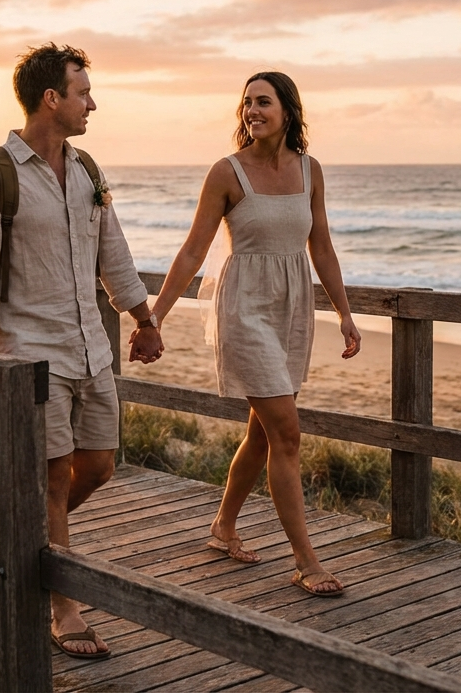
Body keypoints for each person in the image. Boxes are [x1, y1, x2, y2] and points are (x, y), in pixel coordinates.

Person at [0, 43, 163, 659]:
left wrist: (144, 318)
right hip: (29, 356)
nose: (92, 103)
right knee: (51, 479)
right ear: (53, 98)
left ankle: (25, 543)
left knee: (97, 465)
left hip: (91, 350)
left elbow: (114, 252)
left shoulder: (88, 169)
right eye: (83, 92)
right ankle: (64, 608)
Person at [146, 71, 361, 597]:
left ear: (288, 109)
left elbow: (323, 249)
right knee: (288, 433)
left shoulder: (311, 171)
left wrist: (346, 313)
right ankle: (306, 560)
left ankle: (222, 526)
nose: (252, 111)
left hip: (292, 308)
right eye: (247, 104)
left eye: (263, 102)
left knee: (262, 432)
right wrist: (155, 316)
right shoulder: (227, 172)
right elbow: (194, 250)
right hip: (244, 308)